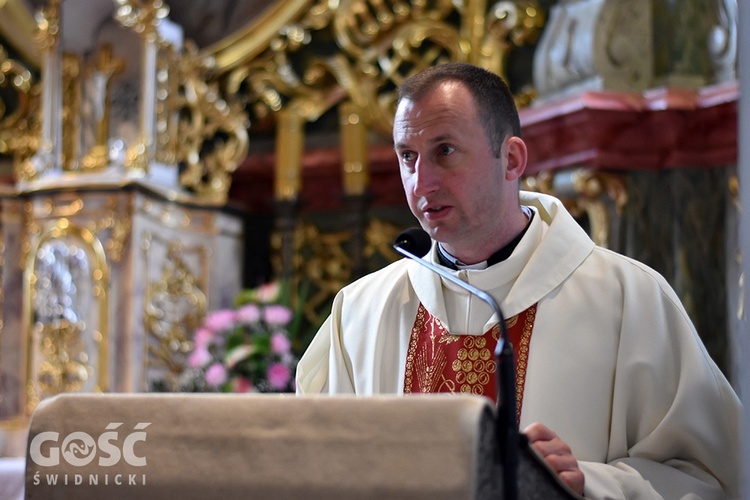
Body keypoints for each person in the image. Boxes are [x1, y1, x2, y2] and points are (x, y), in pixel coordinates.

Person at [295, 62, 740, 498]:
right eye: (407, 156)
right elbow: (314, 471)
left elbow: (709, 477)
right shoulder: (361, 311)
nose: (421, 181)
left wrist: (589, 483)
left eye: (444, 151)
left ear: (510, 159)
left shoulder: (628, 299)